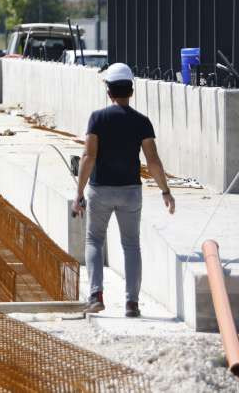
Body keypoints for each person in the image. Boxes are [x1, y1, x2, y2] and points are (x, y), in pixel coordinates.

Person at [72, 63, 175, 318]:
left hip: (101, 190)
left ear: (109, 91)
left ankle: (96, 295)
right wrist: (165, 191)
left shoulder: (97, 118)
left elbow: (88, 156)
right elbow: (153, 161)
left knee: (94, 240)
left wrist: (79, 193)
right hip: (130, 191)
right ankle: (132, 303)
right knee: (131, 245)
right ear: (131, 91)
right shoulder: (142, 122)